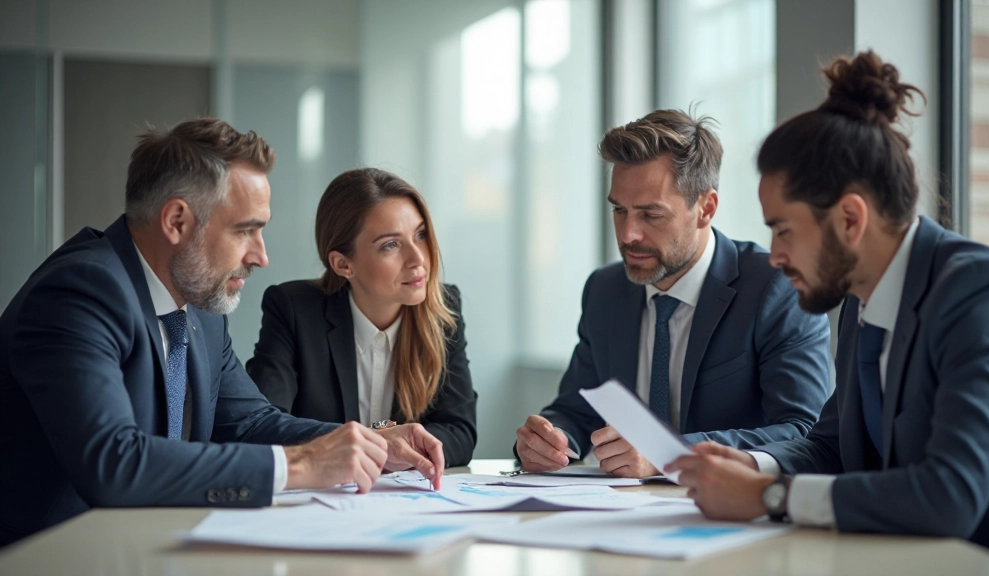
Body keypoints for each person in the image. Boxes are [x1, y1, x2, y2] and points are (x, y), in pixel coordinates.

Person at [666, 51, 989, 561]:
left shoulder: (981, 292)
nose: (776, 256)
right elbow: (833, 445)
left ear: (850, 219)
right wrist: (757, 466)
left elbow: (951, 494)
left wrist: (771, 498)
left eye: (783, 230)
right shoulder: (863, 300)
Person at [0, 119, 401, 547]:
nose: (261, 256)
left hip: (146, 547)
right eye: (245, 229)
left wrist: (367, 443)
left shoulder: (201, 307)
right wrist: (299, 465)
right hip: (46, 557)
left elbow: (248, 423)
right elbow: (113, 463)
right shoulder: (80, 292)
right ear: (176, 221)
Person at [515, 109, 832, 477]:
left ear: (705, 209)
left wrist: (669, 455)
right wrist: (550, 439)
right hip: (623, 515)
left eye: (651, 215)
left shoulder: (775, 288)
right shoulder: (604, 290)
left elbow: (803, 431)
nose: (628, 234)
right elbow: (578, 410)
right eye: (620, 210)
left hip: (736, 513)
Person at [247, 168, 477, 468]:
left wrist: (382, 447)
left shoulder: (443, 309)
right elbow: (262, 428)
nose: (418, 258)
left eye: (419, 235)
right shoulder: (293, 310)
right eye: (390, 245)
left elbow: (460, 433)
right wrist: (379, 443)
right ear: (343, 264)